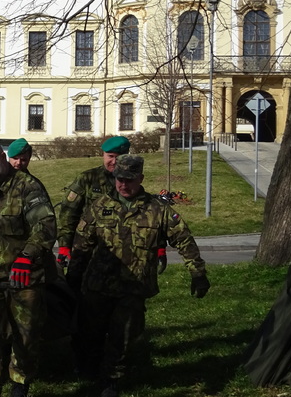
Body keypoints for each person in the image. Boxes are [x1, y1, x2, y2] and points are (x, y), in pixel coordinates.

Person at [67, 154, 210, 397]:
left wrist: (197, 272)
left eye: (129, 180)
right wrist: (73, 275)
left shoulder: (157, 210)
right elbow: (82, 244)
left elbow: (183, 239)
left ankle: (111, 379)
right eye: (119, 179)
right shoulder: (99, 206)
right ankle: (87, 368)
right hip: (98, 285)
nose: (124, 185)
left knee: (123, 335)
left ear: (141, 179)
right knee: (90, 331)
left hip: (133, 288)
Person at [0, 135, 57, 397]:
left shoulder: (28, 187)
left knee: (25, 334)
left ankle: (20, 383)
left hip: (24, 273)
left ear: (1, 156)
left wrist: (26, 257)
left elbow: (46, 227)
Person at [56, 135, 130, 269]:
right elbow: (68, 213)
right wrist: (64, 245)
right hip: (88, 247)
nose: (114, 162)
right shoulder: (88, 179)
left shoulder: (131, 181)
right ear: (103, 155)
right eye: (110, 156)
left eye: (118, 158)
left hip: (122, 249)